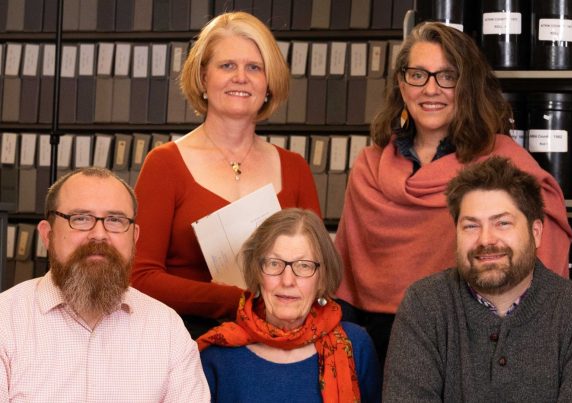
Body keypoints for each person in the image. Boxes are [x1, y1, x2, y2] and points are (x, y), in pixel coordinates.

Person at [334, 21, 572, 364]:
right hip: (378, 348)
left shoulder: (505, 162)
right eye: (418, 75)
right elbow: (346, 285)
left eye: (447, 76)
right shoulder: (368, 168)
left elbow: (542, 260)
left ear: (467, 87)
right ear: (402, 84)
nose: (431, 89)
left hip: (473, 343)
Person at [131, 12, 321, 338]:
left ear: (268, 84)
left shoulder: (295, 168)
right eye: (227, 66)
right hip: (184, 341)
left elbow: (319, 271)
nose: (241, 77)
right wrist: (235, 300)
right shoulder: (164, 164)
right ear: (203, 77)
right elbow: (139, 276)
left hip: (277, 342)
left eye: (254, 67)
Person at [383, 157, 572, 402]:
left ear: (536, 232)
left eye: (503, 223)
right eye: (471, 226)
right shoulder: (424, 305)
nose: (486, 240)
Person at [0, 167, 209, 402]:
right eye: (80, 218)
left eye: (115, 220)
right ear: (48, 235)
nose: (99, 234)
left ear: (134, 237)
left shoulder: (166, 329)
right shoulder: (5, 322)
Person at [198, 208, 381, 402]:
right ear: (257, 272)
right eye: (274, 263)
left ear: (322, 279)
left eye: (303, 265)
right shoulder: (217, 353)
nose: (287, 280)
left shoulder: (355, 345)